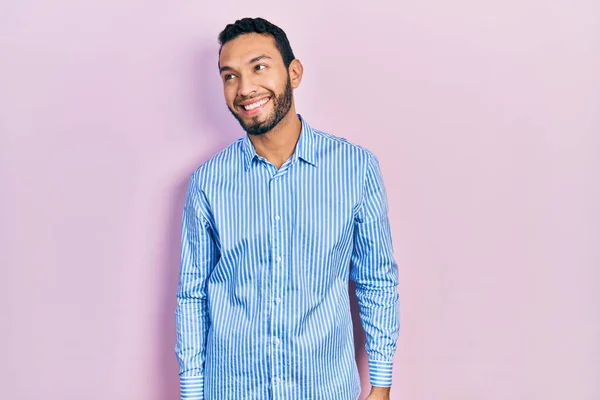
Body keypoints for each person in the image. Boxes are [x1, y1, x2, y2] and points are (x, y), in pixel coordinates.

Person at [174, 17, 400, 400]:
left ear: (294, 73)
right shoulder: (207, 183)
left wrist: (380, 384)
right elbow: (192, 296)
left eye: (259, 67)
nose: (244, 89)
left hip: (325, 389)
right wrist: (192, 394)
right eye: (229, 76)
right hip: (232, 390)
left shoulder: (355, 168)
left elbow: (377, 278)